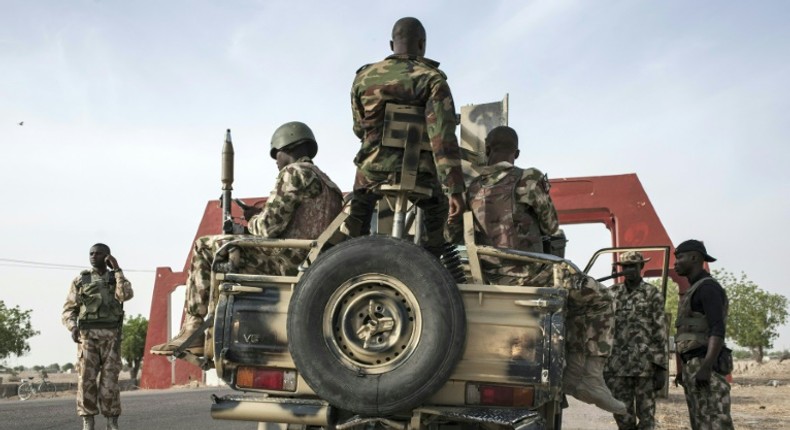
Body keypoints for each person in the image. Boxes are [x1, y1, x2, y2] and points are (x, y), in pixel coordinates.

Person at [466, 126, 626, 414]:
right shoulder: (527, 178)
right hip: (530, 274)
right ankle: (587, 377)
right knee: (600, 298)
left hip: (489, 278)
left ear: (487, 150)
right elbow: (551, 225)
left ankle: (578, 376)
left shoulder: (471, 188)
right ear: (516, 153)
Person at [151, 121, 344, 356]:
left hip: (285, 262)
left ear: (288, 146)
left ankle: (193, 330)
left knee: (204, 246)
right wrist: (257, 215)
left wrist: (252, 222)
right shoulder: (330, 185)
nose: (276, 160)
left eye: (277, 153)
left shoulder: (293, 173)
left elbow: (266, 229)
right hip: (311, 261)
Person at [347, 16, 465, 256]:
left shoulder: (363, 77)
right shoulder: (432, 79)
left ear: (392, 45)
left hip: (372, 173)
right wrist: (454, 189)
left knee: (358, 209)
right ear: (422, 45)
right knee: (438, 217)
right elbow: (442, 138)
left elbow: (359, 129)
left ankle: (352, 256)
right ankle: (429, 264)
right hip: (421, 175)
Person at [62, 243, 134, 430]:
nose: (93, 256)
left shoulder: (115, 278)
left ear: (107, 256)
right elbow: (69, 309)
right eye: (91, 253)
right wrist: (72, 327)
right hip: (87, 339)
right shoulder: (81, 280)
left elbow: (125, 295)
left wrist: (117, 269)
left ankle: (112, 421)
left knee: (110, 382)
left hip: (111, 338)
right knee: (86, 380)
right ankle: (88, 421)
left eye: (98, 253)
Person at [604, 251, 668, 429]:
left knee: (647, 418)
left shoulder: (651, 294)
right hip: (617, 368)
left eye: (634, 266)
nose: (629, 270)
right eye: (626, 266)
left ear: (641, 267)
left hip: (645, 368)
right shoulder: (611, 294)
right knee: (622, 416)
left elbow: (660, 331)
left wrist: (661, 367)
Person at [673, 239, 733, 429]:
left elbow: (717, 329)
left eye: (680, 257)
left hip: (705, 365)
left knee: (715, 420)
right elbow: (686, 336)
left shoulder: (708, 288)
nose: (675, 262)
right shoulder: (693, 290)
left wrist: (706, 367)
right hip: (693, 365)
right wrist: (683, 371)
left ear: (694, 257)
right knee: (701, 423)